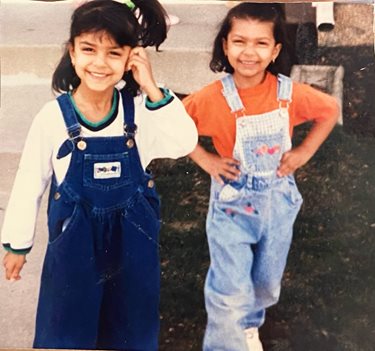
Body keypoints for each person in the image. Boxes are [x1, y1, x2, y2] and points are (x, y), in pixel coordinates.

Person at [1, 0, 197, 350]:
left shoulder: (138, 112)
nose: (100, 63)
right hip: (76, 243)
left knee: (131, 329)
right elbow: (29, 180)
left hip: (133, 243)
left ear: (131, 58)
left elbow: (184, 142)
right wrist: (17, 243)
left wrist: (152, 88)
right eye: (89, 49)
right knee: (65, 329)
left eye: (114, 53)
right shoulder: (53, 117)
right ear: (72, 53)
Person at [183, 3, 339, 351]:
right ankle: (226, 342)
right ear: (225, 46)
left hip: (277, 202)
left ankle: (249, 325)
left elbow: (330, 110)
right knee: (229, 290)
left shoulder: (289, 93)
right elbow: (173, 126)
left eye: (260, 43)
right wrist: (206, 159)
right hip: (231, 205)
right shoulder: (211, 98)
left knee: (266, 283)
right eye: (239, 41)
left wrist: (303, 153)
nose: (249, 52)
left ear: (275, 51)